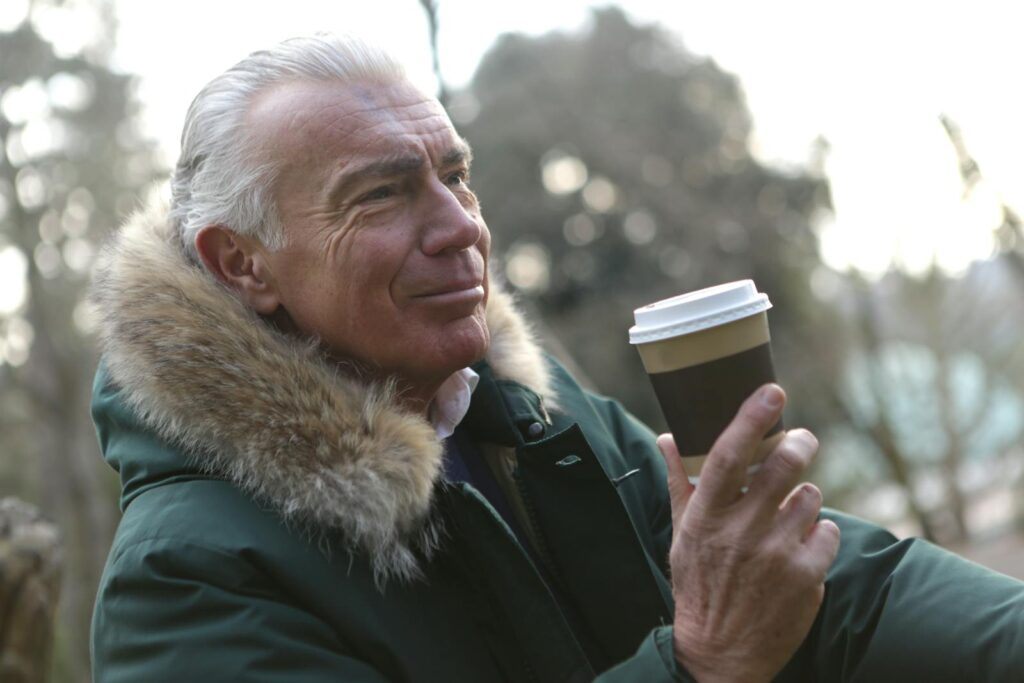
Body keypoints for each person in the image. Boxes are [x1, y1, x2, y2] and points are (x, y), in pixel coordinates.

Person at [89, 34, 1023, 682]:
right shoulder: (184, 580)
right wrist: (700, 664)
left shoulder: (533, 415)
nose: (461, 228)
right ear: (242, 263)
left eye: (456, 175)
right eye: (381, 195)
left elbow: (830, 588)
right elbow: (724, 633)